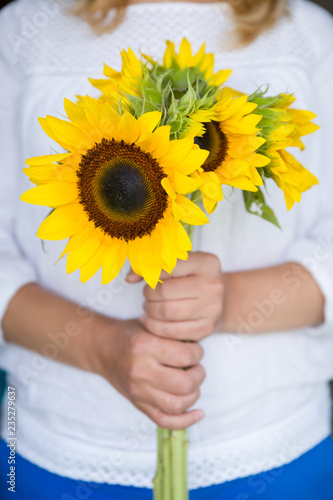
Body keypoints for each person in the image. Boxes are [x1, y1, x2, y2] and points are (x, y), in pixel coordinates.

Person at [0, 0, 333, 498]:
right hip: (62, 446)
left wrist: (226, 300)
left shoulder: (307, 34)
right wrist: (103, 347)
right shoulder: (23, 29)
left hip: (274, 448)